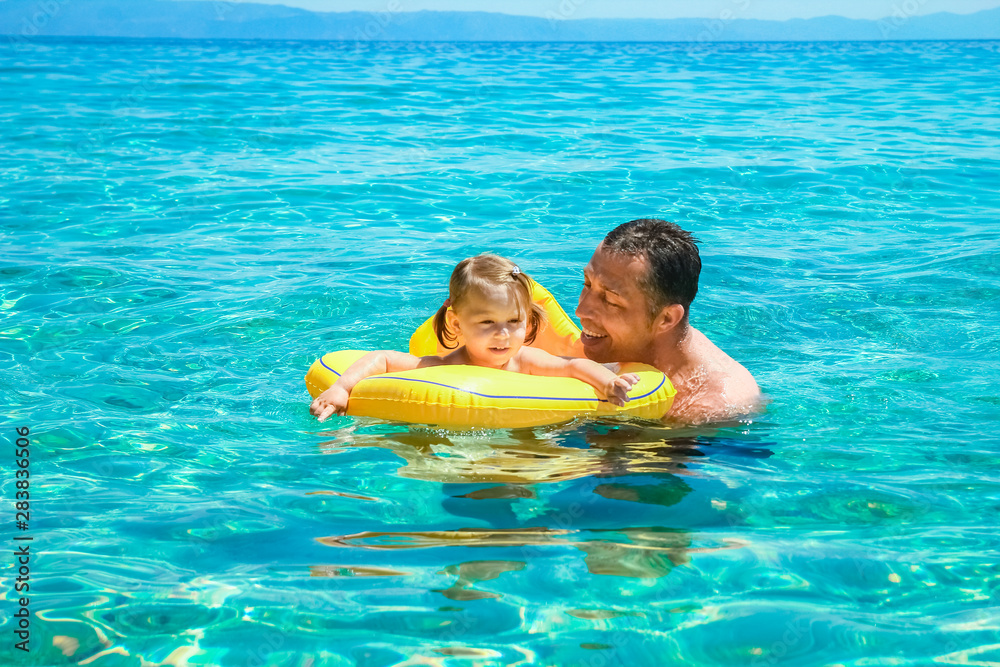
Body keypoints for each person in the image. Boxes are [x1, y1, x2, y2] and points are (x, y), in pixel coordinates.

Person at [310, 253, 641, 422]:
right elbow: (382, 358)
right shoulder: (440, 367)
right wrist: (341, 388)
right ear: (456, 323)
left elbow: (574, 367)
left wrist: (608, 383)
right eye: (486, 322)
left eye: (514, 321)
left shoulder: (526, 361)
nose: (503, 333)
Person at [575, 218, 762, 425]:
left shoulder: (706, 410)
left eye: (610, 300)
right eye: (587, 283)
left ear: (666, 319)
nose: (580, 311)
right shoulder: (616, 345)